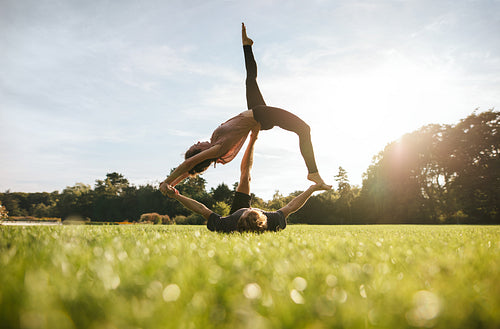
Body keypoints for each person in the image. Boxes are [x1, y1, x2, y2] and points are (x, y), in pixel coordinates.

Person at [160, 23, 331, 191]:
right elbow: (190, 163)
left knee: (250, 79)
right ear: (200, 152)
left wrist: (173, 183)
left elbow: (190, 168)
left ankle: (246, 45)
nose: (197, 142)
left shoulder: (214, 140)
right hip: (261, 115)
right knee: (304, 129)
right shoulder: (218, 149)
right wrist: (166, 182)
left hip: (258, 114)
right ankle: (313, 173)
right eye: (195, 146)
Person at [162, 127, 329, 232]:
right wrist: (312, 188)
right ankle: (253, 138)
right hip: (251, 222)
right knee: (246, 176)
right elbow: (292, 206)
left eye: (246, 211)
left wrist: (176, 196)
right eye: (251, 210)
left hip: (237, 219)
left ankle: (253, 137)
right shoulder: (272, 221)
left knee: (245, 177)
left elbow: (201, 209)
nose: (248, 208)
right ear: (261, 215)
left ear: (241, 217)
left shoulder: (228, 224)